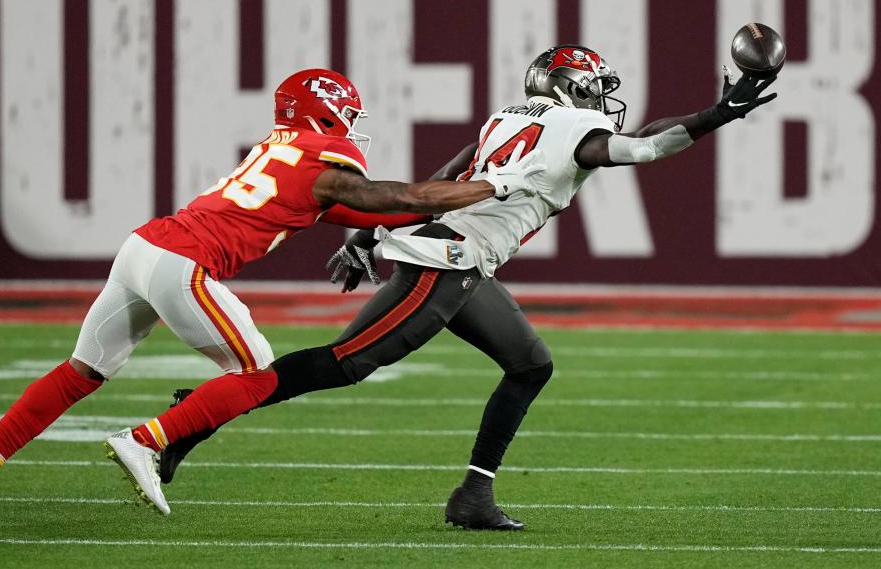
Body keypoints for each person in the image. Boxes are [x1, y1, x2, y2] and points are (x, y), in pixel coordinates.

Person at [156, 46, 778, 530]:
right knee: (344, 365)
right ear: (572, 86)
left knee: (530, 364)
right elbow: (642, 147)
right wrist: (718, 113)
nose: (604, 99)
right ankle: (193, 419)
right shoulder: (573, 128)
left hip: (459, 259)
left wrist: (370, 237)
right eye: (596, 87)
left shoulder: (508, 115)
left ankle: (473, 496)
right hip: (445, 260)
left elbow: (447, 176)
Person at [0, 68, 547, 532]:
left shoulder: (285, 153)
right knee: (256, 374)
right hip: (185, 264)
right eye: (348, 113)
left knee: (82, 372)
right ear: (328, 112)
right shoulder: (325, 157)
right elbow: (401, 194)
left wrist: (373, 236)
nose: (354, 124)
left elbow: (366, 206)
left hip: (143, 248)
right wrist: (494, 184)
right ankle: (147, 440)